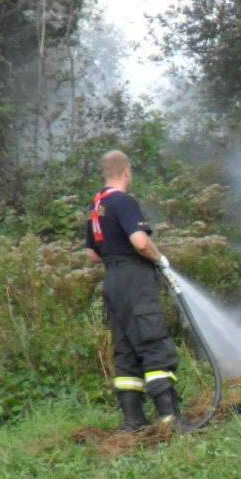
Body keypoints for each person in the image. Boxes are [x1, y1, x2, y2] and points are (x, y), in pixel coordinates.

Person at [85, 150, 186, 430]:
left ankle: (133, 421)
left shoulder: (96, 206)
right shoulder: (122, 201)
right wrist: (160, 259)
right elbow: (141, 243)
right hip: (134, 279)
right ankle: (169, 418)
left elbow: (92, 255)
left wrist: (116, 254)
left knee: (126, 349)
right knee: (153, 342)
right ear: (126, 171)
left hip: (112, 280)